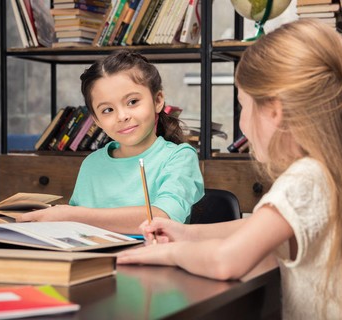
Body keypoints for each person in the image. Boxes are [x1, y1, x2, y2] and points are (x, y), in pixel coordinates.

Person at [116, 20, 342, 319]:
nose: (243, 121)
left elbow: (226, 261)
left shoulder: (304, 178)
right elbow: (257, 226)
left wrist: (165, 253)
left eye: (243, 105)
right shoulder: (332, 171)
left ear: (275, 111)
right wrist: (184, 233)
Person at [18, 50, 204, 234]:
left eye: (132, 102)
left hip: (153, 259)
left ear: (157, 100)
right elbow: (76, 229)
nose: (122, 116)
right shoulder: (92, 164)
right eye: (107, 110)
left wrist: (72, 215)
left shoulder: (180, 158)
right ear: (97, 120)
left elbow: (161, 218)